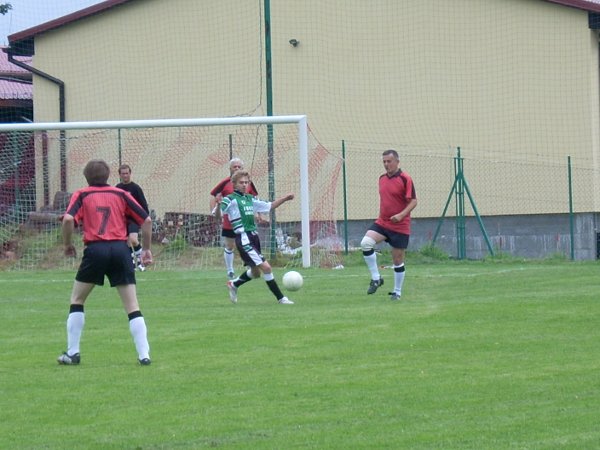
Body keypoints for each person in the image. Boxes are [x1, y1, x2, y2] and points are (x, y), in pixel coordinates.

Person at [57, 159, 154, 366]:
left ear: (86, 177)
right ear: (109, 175)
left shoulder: (82, 194)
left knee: (77, 299)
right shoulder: (121, 194)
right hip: (120, 250)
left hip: (96, 250)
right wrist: (146, 249)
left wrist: (67, 244)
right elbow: (146, 220)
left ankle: (73, 353)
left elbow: (68, 219)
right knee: (132, 305)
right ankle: (144, 355)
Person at [216, 169, 295, 305]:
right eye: (241, 182)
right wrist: (218, 205)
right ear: (234, 184)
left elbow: (270, 206)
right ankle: (281, 298)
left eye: (246, 182)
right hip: (244, 239)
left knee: (256, 273)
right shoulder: (230, 199)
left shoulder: (250, 199)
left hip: (254, 237)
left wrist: (285, 199)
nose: (244, 185)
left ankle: (234, 284)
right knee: (267, 268)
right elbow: (218, 216)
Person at [361, 149, 417, 301]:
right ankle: (376, 278)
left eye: (389, 161)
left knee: (397, 261)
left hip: (400, 226)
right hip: (383, 222)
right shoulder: (381, 179)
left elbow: (413, 201)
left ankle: (397, 292)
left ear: (397, 162)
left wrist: (400, 215)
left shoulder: (405, 179)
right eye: (384, 161)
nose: (386, 164)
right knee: (366, 243)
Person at [210, 158, 259, 279]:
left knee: (248, 245)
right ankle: (230, 270)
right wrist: (215, 212)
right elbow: (214, 196)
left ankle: (250, 266)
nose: (237, 168)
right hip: (230, 221)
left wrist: (257, 214)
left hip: (246, 221)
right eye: (234, 166)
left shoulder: (248, 183)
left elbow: (255, 198)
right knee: (229, 245)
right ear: (230, 168)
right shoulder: (225, 183)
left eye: (239, 167)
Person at [116, 164, 150, 271]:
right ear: (120, 175)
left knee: (133, 240)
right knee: (126, 243)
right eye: (123, 174)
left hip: (133, 219)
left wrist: (144, 218)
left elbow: (143, 205)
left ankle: (141, 261)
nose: (125, 175)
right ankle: (133, 265)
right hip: (121, 220)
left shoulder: (136, 188)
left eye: (127, 173)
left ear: (130, 174)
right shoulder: (117, 188)